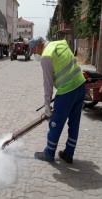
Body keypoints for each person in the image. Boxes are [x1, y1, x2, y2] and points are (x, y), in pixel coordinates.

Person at [28, 36, 86, 164]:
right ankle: (68, 153)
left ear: (39, 44)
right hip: (81, 86)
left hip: (67, 91)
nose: (34, 54)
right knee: (74, 123)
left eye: (33, 51)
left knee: (55, 122)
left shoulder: (46, 56)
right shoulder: (61, 43)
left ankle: (49, 153)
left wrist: (47, 107)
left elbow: (47, 86)